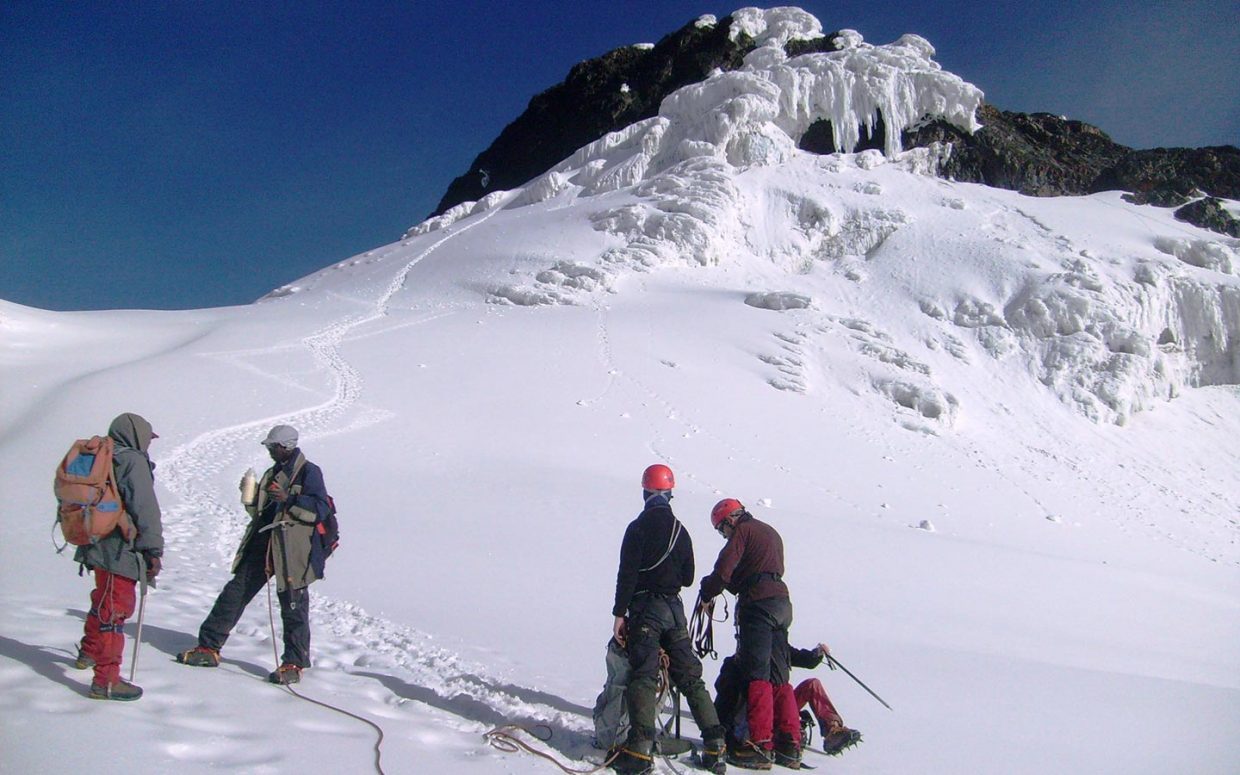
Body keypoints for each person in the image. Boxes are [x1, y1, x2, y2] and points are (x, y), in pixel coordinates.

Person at [177, 424, 331, 685]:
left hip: (291, 551)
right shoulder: (275, 472)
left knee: (293, 607)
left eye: (273, 446)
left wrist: (288, 499)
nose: (271, 451)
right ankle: (208, 648)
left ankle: (294, 663)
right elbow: (262, 514)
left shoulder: (308, 472)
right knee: (235, 593)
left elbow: (320, 509)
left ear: (286, 446)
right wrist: (250, 498)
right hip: (265, 543)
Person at [610, 464, 727, 775]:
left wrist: (619, 614)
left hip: (646, 608)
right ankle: (716, 746)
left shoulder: (637, 528)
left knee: (644, 676)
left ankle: (640, 750)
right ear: (670, 493)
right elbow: (688, 577)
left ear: (646, 492)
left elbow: (627, 575)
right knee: (690, 678)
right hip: (674, 610)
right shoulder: (681, 531)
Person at [698, 498, 799, 770]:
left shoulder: (743, 532)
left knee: (757, 676)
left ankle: (759, 744)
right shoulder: (769, 531)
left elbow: (724, 569)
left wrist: (707, 592)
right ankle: (790, 745)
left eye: (722, 530)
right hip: (781, 603)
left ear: (730, 520)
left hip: (758, 606)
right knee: (780, 675)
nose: (724, 535)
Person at [73, 412, 164, 701]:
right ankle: (106, 680)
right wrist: (154, 549)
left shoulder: (97, 453)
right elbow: (145, 508)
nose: (148, 444)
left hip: (93, 541)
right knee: (116, 608)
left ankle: (88, 652)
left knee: (103, 599)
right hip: (119, 548)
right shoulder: (132, 461)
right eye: (147, 438)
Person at [715, 643, 862, 759]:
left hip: (779, 706)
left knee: (812, 684)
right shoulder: (746, 656)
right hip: (759, 714)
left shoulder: (776, 646)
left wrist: (816, 654)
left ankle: (832, 730)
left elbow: (802, 658)